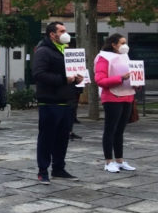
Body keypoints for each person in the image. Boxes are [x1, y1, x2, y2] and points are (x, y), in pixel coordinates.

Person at [32, 21, 83, 184]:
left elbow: (70, 75)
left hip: (66, 101)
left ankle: (59, 168)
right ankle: (42, 171)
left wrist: (77, 80)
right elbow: (39, 74)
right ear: (52, 34)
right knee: (47, 138)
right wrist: (63, 79)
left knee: (62, 138)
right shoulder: (44, 51)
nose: (65, 33)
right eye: (62, 31)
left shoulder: (65, 50)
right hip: (50, 102)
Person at [95, 33, 137, 173]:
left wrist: (137, 82)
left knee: (120, 131)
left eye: (125, 42)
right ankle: (108, 161)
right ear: (113, 44)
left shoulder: (125, 57)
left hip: (127, 96)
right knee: (110, 130)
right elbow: (100, 80)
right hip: (112, 97)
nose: (125, 45)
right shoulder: (103, 58)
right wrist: (121, 78)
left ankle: (119, 160)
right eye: (122, 42)